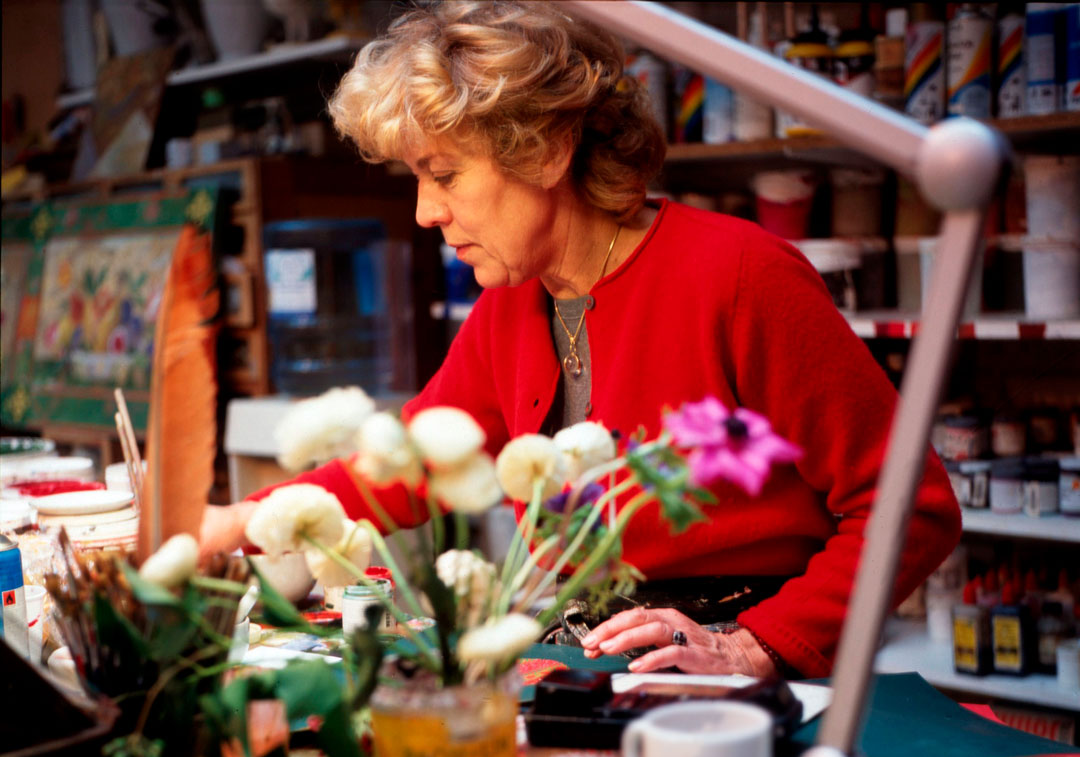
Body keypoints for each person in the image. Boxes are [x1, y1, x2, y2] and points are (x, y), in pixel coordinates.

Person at [200, 0, 961, 680]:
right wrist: (238, 524)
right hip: (597, 658)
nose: (426, 211)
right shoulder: (513, 300)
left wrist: (755, 645)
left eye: (445, 174)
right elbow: (412, 463)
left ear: (546, 150)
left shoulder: (741, 275)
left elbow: (911, 506)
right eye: (416, 178)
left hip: (728, 671)